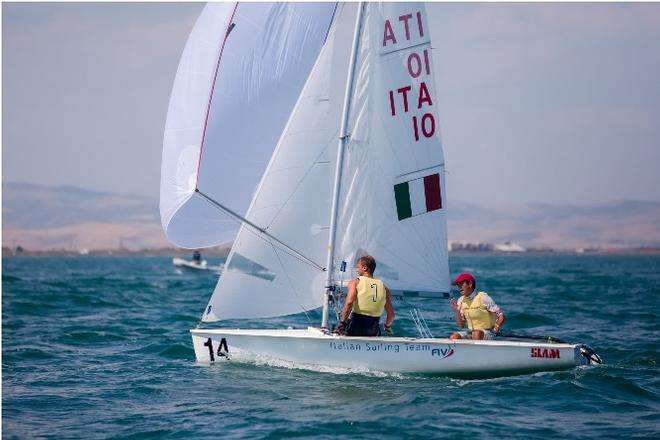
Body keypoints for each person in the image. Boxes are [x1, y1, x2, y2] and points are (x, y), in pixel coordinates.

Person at [338, 255, 395, 336]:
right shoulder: (384, 287)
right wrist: (387, 326)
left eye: (358, 267)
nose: (357, 270)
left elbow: (349, 303)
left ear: (364, 268)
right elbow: (391, 315)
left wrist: (342, 323)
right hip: (373, 331)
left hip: (355, 328)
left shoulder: (355, 283)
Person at [449, 273, 505, 340]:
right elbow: (461, 326)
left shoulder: (483, 298)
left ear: (470, 284)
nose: (459, 287)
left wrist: (495, 330)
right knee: (454, 337)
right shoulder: (460, 300)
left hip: (488, 332)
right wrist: (457, 311)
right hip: (471, 332)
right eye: (457, 285)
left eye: (461, 283)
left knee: (477, 333)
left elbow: (501, 316)